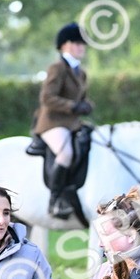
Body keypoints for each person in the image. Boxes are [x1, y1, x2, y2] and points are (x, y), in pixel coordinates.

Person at [33, 21, 93, 219]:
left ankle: (74, 190)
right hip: (52, 122)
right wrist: (72, 106)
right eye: (77, 44)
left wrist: (85, 105)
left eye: (82, 44)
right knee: (65, 153)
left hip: (71, 123)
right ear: (66, 45)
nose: (81, 47)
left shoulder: (80, 72)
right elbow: (47, 98)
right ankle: (55, 200)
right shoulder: (57, 68)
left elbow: (79, 98)